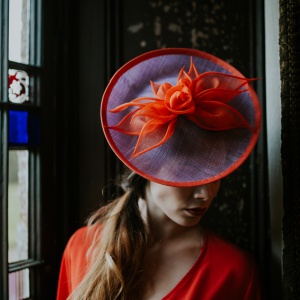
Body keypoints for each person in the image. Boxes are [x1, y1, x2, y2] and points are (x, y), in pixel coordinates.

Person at [56, 48, 263, 299]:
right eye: (189, 174)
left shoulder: (233, 271)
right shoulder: (81, 247)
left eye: (215, 176)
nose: (205, 193)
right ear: (147, 167)